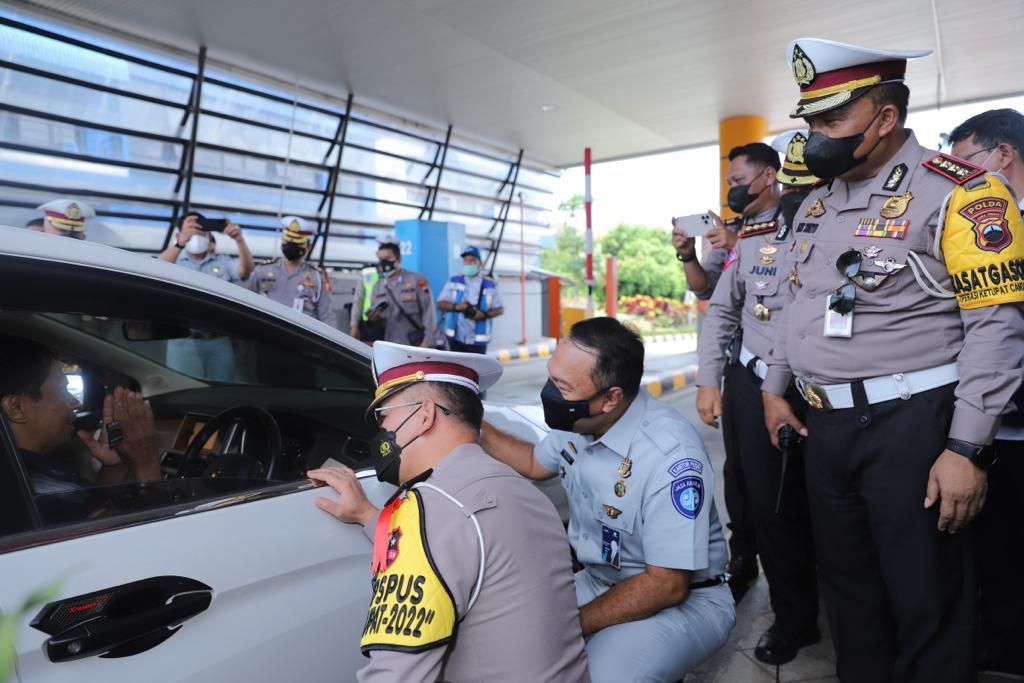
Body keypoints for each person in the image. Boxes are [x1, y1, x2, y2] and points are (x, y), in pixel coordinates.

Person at [763, 38, 1024, 682]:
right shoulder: (819, 202)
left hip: (914, 424)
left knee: (925, 596)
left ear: (885, 117)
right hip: (825, 427)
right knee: (850, 591)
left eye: (831, 120)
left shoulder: (963, 193)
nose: (815, 137)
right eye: (811, 122)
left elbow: (996, 327)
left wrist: (966, 449)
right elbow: (795, 303)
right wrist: (775, 387)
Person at [308, 341, 590, 682]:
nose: (381, 433)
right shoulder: (524, 492)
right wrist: (368, 515)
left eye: (386, 417)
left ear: (424, 414)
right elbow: (458, 542)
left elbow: (396, 675)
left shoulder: (429, 509)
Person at [480, 317, 735, 682]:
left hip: (688, 600)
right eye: (552, 377)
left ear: (610, 397)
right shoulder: (580, 422)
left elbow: (667, 584)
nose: (550, 392)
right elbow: (536, 462)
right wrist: (476, 424)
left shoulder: (671, 457)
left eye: (562, 386)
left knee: (599, 676)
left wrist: (572, 626)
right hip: (601, 581)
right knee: (512, 646)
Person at [695, 130, 821, 665]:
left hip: (822, 387)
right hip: (753, 383)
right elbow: (723, 309)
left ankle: (842, 603)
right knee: (768, 505)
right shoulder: (755, 234)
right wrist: (707, 378)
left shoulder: (850, 228)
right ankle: (794, 618)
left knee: (826, 506)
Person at [680, 142, 785, 602]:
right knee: (738, 475)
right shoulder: (734, 230)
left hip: (784, 367)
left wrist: (740, 243)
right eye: (730, 183)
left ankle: (791, 577)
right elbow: (708, 292)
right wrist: (689, 255)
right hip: (739, 369)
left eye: (740, 181)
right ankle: (742, 561)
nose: (733, 190)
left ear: (768, 177)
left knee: (774, 484)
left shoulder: (798, 218)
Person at [948, 108, 1024, 677]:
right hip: (996, 429)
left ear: (1003, 155)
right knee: (997, 554)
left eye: (964, 160)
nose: (957, 175)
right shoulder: (971, 225)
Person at [0, 335, 161, 495]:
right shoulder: (41, 489)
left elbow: (97, 513)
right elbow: (157, 521)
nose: (77, 403)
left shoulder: (21, 473)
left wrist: (115, 466)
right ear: (16, 408)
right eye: (63, 391)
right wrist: (147, 465)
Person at [349, 239, 439, 347]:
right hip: (390, 346)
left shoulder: (417, 280)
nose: (384, 262)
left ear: (398, 259)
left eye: (388, 258)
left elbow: (429, 315)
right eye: (381, 259)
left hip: (416, 345)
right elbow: (377, 323)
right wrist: (372, 319)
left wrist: (426, 343)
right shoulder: (377, 287)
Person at [248, 216, 337, 327]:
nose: (290, 246)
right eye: (288, 241)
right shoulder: (263, 270)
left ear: (308, 246)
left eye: (296, 243)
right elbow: (249, 302)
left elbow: (326, 316)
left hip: (300, 336)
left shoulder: (317, 277)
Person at [437, 246, 505, 354]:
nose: (468, 263)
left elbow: (500, 309)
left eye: (472, 260)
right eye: (466, 260)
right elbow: (440, 304)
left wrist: (484, 314)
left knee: (476, 370)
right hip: (455, 339)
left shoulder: (490, 284)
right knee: (456, 370)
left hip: (478, 341)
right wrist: (457, 307)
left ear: (479, 263)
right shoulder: (454, 281)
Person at [158, 211, 255, 283]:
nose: (196, 235)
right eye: (190, 232)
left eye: (200, 233)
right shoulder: (174, 261)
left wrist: (239, 240)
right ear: (178, 236)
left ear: (209, 236)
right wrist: (179, 244)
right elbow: (159, 268)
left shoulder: (223, 261)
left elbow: (246, 271)